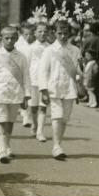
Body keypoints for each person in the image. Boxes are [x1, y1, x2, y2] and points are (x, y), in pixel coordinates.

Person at [0, 26, 31, 163]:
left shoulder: (21, 57)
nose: (9, 41)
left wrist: (26, 95)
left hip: (16, 93)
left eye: (12, 38)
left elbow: (26, 76)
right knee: (1, 121)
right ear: (2, 39)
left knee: (10, 122)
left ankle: (7, 145)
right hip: (0, 93)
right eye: (6, 38)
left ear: (16, 39)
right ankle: (2, 150)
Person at [39, 20, 82, 160]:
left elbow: (77, 71)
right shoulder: (49, 50)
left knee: (64, 118)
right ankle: (56, 146)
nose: (62, 36)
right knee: (56, 116)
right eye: (59, 33)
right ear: (54, 33)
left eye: (65, 33)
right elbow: (43, 71)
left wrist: (79, 78)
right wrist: (43, 90)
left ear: (69, 33)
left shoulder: (75, 50)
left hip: (69, 87)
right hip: (54, 87)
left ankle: (58, 143)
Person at [26, 21, 49, 141]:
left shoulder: (50, 48)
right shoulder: (31, 48)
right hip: (33, 79)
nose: (42, 33)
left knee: (43, 105)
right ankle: (34, 125)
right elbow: (27, 64)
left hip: (45, 81)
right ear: (35, 33)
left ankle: (40, 131)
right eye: (40, 31)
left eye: (45, 31)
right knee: (33, 107)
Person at [15, 22, 37, 127]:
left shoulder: (35, 46)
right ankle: (23, 111)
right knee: (21, 94)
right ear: (22, 34)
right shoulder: (18, 45)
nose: (28, 37)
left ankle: (27, 117)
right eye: (26, 34)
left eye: (30, 34)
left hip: (32, 74)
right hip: (21, 72)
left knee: (29, 95)